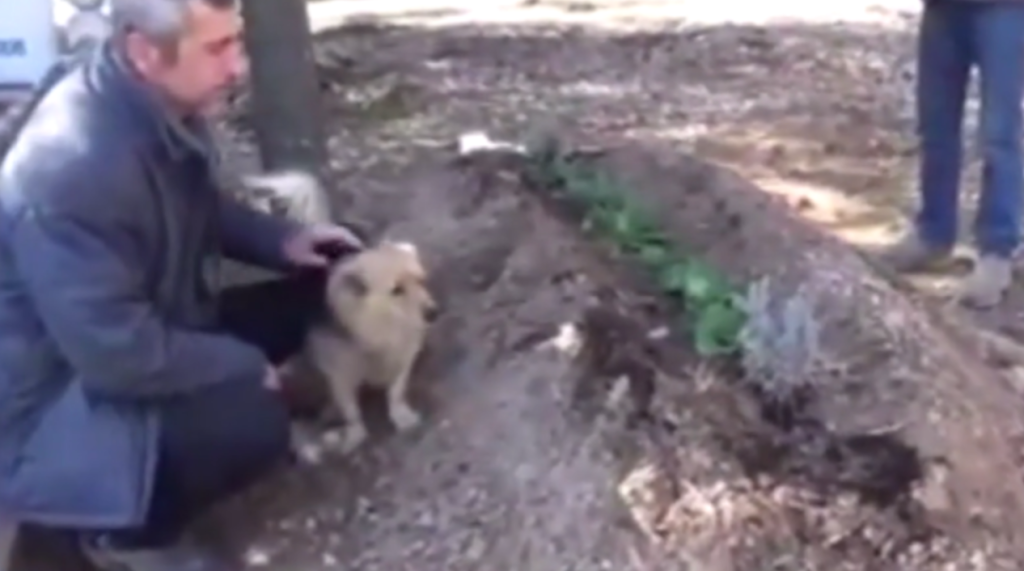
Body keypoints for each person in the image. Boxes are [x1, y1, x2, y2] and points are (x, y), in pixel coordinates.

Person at [0, 0, 364, 569]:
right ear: (145, 51)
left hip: (147, 326)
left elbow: (187, 204)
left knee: (328, 278)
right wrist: (243, 366)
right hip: (56, 411)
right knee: (252, 418)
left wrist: (283, 242)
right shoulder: (69, 168)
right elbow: (115, 354)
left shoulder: (150, 102)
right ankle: (118, 534)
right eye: (218, 49)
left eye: (238, 42)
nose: (239, 67)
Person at [882, 0, 1024, 308]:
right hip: (942, 9)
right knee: (935, 124)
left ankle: (997, 250)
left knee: (998, 134)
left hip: (1005, 10)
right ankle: (933, 233)